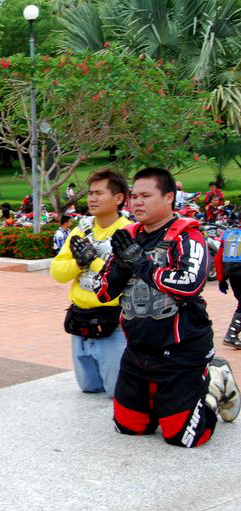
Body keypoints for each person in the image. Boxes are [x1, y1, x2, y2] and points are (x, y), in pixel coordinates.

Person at [95, 167, 239, 448]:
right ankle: (163, 402)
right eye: (134, 196)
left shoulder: (188, 236)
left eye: (146, 196)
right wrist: (120, 267)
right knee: (129, 427)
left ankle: (215, 382)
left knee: (184, 437)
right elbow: (102, 291)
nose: (137, 202)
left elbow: (189, 284)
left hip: (181, 353)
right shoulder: (128, 235)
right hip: (138, 351)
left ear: (169, 197)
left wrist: (139, 263)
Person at [51, 170, 132, 397]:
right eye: (90, 193)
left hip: (113, 320)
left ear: (118, 198)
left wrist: (92, 260)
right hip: (80, 319)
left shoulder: (128, 231)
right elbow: (58, 272)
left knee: (117, 391)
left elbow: (122, 276)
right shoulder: (81, 229)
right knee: (88, 387)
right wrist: (79, 263)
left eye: (99, 193)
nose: (92, 199)